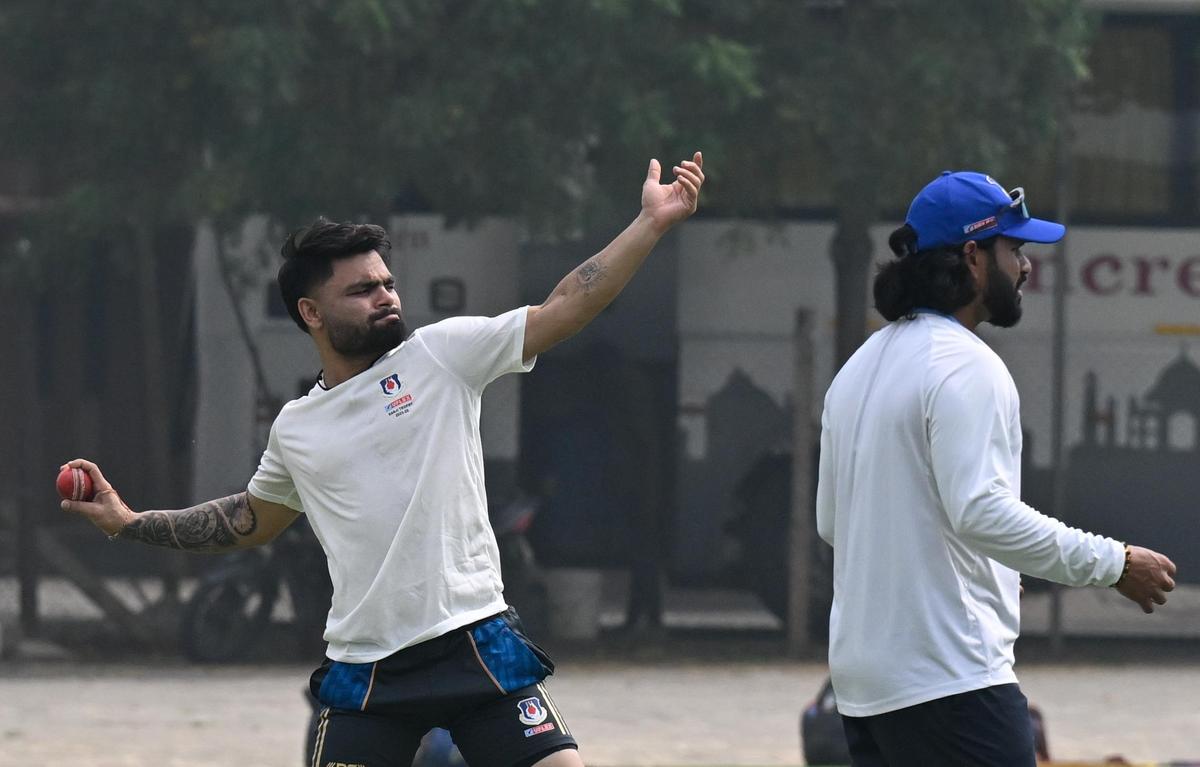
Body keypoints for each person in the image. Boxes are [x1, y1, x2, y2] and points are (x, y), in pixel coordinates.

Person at [60, 151, 705, 767]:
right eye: (363, 289)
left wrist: (649, 224)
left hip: (475, 640)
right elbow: (249, 520)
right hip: (368, 668)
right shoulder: (298, 428)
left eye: (388, 283)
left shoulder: (443, 355)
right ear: (311, 313)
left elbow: (567, 304)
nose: (386, 296)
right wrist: (129, 522)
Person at [815, 170, 1177, 766]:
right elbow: (982, 513)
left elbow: (833, 523)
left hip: (864, 688)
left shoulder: (856, 369)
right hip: (951, 680)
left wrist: (967, 565)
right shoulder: (966, 366)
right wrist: (1114, 563)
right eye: (1015, 249)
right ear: (972, 257)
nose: (1027, 266)